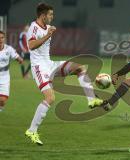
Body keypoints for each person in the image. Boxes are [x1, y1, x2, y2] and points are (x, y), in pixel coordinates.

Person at [25, 3, 103, 145]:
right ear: (43, 15)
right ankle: (32, 130)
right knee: (50, 98)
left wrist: (49, 32)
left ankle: (91, 100)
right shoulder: (33, 27)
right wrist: (47, 35)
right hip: (39, 68)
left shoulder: (48, 27)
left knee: (79, 68)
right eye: (50, 14)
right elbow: (30, 46)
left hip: (50, 64)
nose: (52, 17)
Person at [0, 31, 23, 112]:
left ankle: (1, 107)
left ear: (4, 38)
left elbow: (16, 56)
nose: (0, 39)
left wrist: (20, 59)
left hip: (4, 78)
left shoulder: (9, 49)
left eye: (2, 37)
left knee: (2, 100)